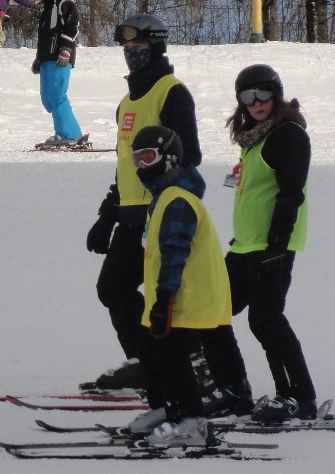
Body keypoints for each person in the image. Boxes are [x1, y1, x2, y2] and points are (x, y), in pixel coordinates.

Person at [84, 14, 202, 391]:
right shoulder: (126, 103)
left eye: (139, 46)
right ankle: (145, 361)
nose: (131, 53)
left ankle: (186, 365)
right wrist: (108, 215)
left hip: (161, 214)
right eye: (127, 47)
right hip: (131, 217)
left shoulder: (171, 92)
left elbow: (189, 155)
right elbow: (125, 166)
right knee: (113, 289)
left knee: (162, 295)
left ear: (157, 47)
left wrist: (167, 201)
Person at [123, 126, 248, 446]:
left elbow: (175, 252)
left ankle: (192, 422)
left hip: (187, 296)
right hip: (171, 295)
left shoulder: (177, 200)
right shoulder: (164, 197)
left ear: (169, 158)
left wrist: (165, 297)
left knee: (170, 353)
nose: (141, 166)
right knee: (147, 346)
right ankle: (167, 409)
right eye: (136, 160)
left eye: (147, 157)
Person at [223, 64, 318, 422]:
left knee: (265, 319)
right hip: (245, 245)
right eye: (248, 96)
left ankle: (299, 397)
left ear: (276, 94)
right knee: (213, 310)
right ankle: (227, 386)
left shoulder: (288, 135)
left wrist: (277, 244)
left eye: (263, 93)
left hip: (271, 246)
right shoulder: (254, 139)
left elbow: (291, 193)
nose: (256, 102)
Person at [30, 0, 84, 147]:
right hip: (48, 56)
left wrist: (66, 49)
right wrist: (39, 59)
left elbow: (72, 26)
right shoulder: (49, 3)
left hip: (60, 56)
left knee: (57, 95)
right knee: (47, 99)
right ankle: (65, 133)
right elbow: (46, 34)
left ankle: (70, 135)